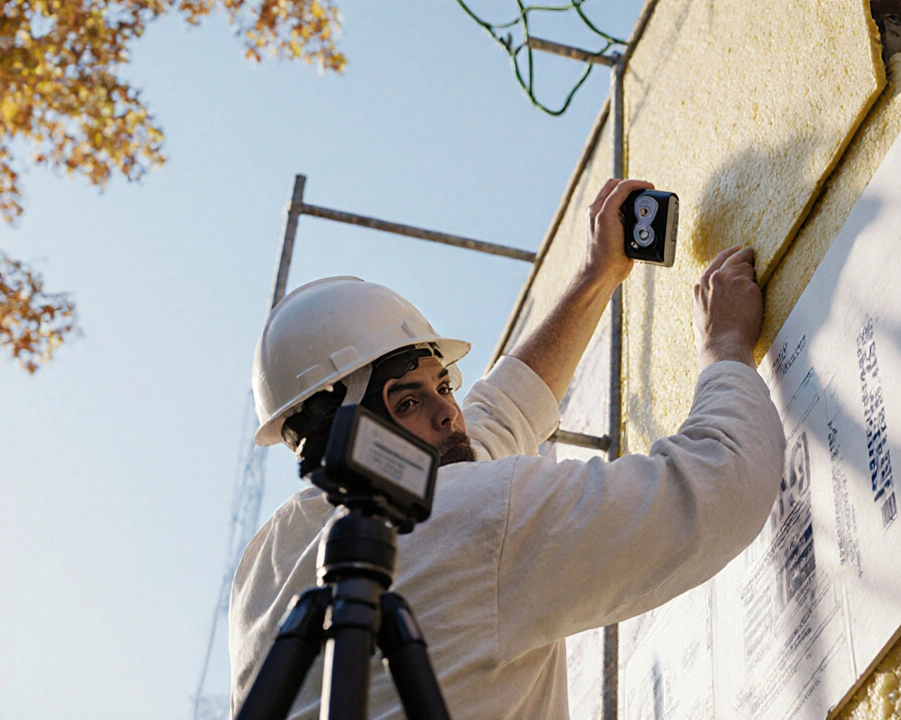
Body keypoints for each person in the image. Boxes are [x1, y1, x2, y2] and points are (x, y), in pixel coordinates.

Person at [229, 178, 786, 719]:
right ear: (343, 428)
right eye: (407, 402)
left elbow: (496, 419)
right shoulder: (471, 515)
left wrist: (596, 276)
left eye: (444, 386)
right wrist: (725, 345)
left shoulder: (263, 572)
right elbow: (723, 484)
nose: (449, 413)